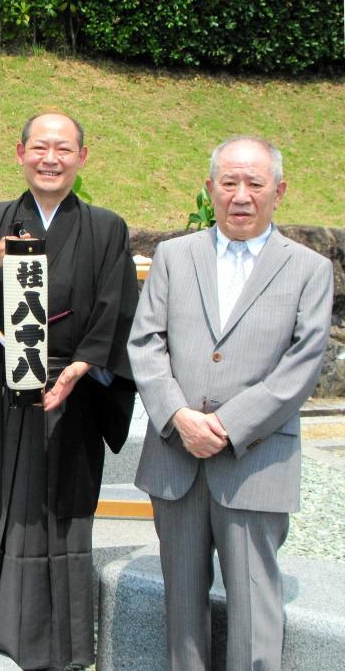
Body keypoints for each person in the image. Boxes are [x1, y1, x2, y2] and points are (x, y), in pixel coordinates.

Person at [0, 112, 138, 669]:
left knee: (57, 508)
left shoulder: (106, 228)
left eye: (63, 149)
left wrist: (83, 367)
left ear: (82, 159)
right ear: (19, 152)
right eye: (39, 147)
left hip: (75, 393)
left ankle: (55, 637)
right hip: (3, 392)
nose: (51, 158)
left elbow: (117, 309)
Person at [128, 136, 332, 669]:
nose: (241, 195)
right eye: (229, 182)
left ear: (278, 191)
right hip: (176, 457)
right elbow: (145, 343)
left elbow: (303, 365)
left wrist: (224, 424)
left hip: (254, 460)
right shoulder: (175, 256)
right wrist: (178, 417)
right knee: (182, 608)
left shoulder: (308, 268)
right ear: (210, 188)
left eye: (255, 184)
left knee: (253, 609)